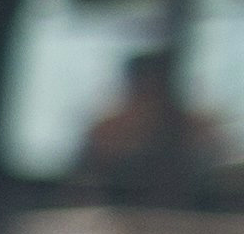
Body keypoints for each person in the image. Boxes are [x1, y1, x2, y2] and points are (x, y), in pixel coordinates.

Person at [69, 48, 234, 204]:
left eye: (155, 85)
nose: (149, 96)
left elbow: (220, 183)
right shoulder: (106, 131)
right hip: (113, 218)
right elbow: (80, 185)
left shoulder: (197, 129)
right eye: (144, 85)